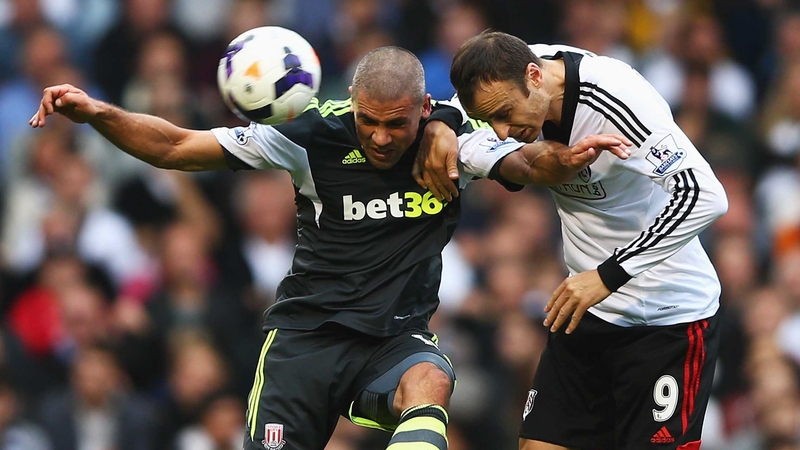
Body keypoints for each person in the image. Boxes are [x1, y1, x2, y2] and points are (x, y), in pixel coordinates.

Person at [30, 45, 630, 450]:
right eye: (369, 120)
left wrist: (565, 158)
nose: (380, 136)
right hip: (305, 340)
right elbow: (177, 147)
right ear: (353, 102)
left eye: (396, 124)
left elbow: (524, 158)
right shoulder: (311, 137)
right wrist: (98, 113)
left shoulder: (452, 142)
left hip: (393, 338)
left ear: (423, 110)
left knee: (430, 382)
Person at [418, 32, 729, 450]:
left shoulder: (617, 97)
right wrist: (441, 123)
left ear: (534, 77)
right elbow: (461, 109)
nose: (501, 130)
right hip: (586, 311)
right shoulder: (515, 72)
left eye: (505, 114)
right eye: (490, 119)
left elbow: (705, 195)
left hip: (666, 317)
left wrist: (608, 275)